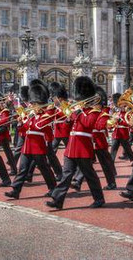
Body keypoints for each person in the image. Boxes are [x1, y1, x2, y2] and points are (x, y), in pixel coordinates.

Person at [45, 76, 105, 210]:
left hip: (83, 146)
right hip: (72, 146)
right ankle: (57, 199)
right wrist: (68, 117)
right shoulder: (78, 110)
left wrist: (79, 112)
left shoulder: (93, 111)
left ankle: (99, 198)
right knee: (66, 175)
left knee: (90, 175)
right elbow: (68, 128)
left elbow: (88, 124)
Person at [4, 83, 57, 199]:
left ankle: (53, 188)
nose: (31, 105)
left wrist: (29, 117)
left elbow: (39, 126)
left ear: (40, 104)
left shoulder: (46, 115)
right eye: (31, 103)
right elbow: (24, 130)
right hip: (28, 146)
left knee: (44, 169)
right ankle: (15, 190)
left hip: (38, 146)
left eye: (34, 104)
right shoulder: (31, 115)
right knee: (22, 169)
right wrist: (20, 122)